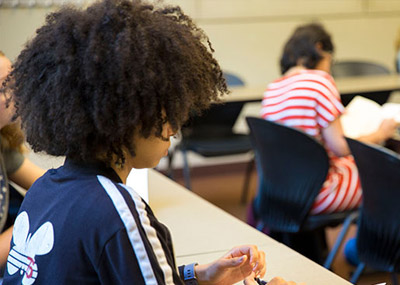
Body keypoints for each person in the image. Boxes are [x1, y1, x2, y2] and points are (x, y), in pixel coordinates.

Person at [1, 1, 302, 284]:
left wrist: (201, 274)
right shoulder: (118, 212)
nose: (173, 127)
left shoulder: (43, 189)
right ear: (123, 118)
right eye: (163, 112)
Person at [260, 23, 398, 215]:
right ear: (319, 48)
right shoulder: (320, 81)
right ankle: (363, 245)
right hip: (317, 192)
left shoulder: (273, 88)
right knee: (389, 178)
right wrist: (381, 133)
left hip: (281, 190)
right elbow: (341, 148)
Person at [0, 52, 45, 268]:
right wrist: (35, 217)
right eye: (3, 88)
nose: (16, 94)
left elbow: (47, 186)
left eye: (13, 83)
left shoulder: (2, 143)